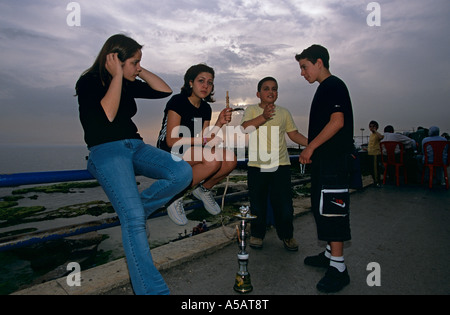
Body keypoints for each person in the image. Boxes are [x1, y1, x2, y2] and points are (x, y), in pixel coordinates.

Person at [75, 34, 192, 295]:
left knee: (181, 171)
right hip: (107, 151)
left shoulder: (129, 82)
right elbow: (108, 113)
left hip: (135, 146)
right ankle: (153, 292)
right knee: (135, 221)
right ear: (115, 60)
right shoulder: (89, 81)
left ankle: (136, 210)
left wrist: (136, 68)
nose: (138, 68)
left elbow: (165, 90)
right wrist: (117, 74)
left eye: (140, 62)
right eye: (136, 62)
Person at [295, 45, 353, 293]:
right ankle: (330, 253)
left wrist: (310, 148)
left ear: (319, 62)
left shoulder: (333, 85)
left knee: (332, 209)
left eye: (304, 67)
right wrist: (313, 150)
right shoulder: (324, 89)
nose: (302, 73)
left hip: (334, 160)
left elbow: (337, 122)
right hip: (324, 160)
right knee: (321, 208)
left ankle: (339, 268)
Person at [157, 64, 237, 225]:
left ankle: (203, 189)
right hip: (169, 151)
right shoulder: (178, 101)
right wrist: (203, 141)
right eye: (201, 81)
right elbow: (171, 141)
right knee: (213, 159)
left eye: (210, 82)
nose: (205, 86)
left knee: (230, 159)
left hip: (189, 150)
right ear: (190, 82)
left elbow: (206, 138)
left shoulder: (205, 108)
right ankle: (175, 195)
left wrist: (220, 122)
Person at [241, 77, 308, 251]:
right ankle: (257, 235)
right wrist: (263, 117)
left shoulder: (284, 112)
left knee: (285, 205)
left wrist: (313, 144)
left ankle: (287, 235)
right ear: (258, 93)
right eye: (266, 88)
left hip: (281, 165)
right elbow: (245, 128)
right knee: (257, 204)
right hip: (257, 166)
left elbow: (294, 135)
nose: (271, 92)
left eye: (274, 89)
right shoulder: (251, 110)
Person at [368, 120, 383, 187]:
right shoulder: (371, 135)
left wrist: (375, 131)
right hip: (370, 153)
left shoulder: (377, 134)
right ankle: (374, 181)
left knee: (376, 169)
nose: (371, 128)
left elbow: (381, 137)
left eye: (373, 126)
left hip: (375, 154)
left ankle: (377, 182)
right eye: (370, 126)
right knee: (372, 169)